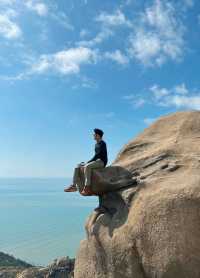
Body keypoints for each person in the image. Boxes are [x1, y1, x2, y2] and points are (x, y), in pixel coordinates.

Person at [64, 128, 108, 196]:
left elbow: (98, 155)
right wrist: (86, 162)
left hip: (101, 162)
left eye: (94, 134)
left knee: (87, 166)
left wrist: (88, 162)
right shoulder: (96, 144)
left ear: (98, 135)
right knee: (78, 166)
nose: (93, 135)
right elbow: (95, 156)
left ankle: (87, 187)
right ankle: (73, 186)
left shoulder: (102, 143)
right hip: (96, 161)